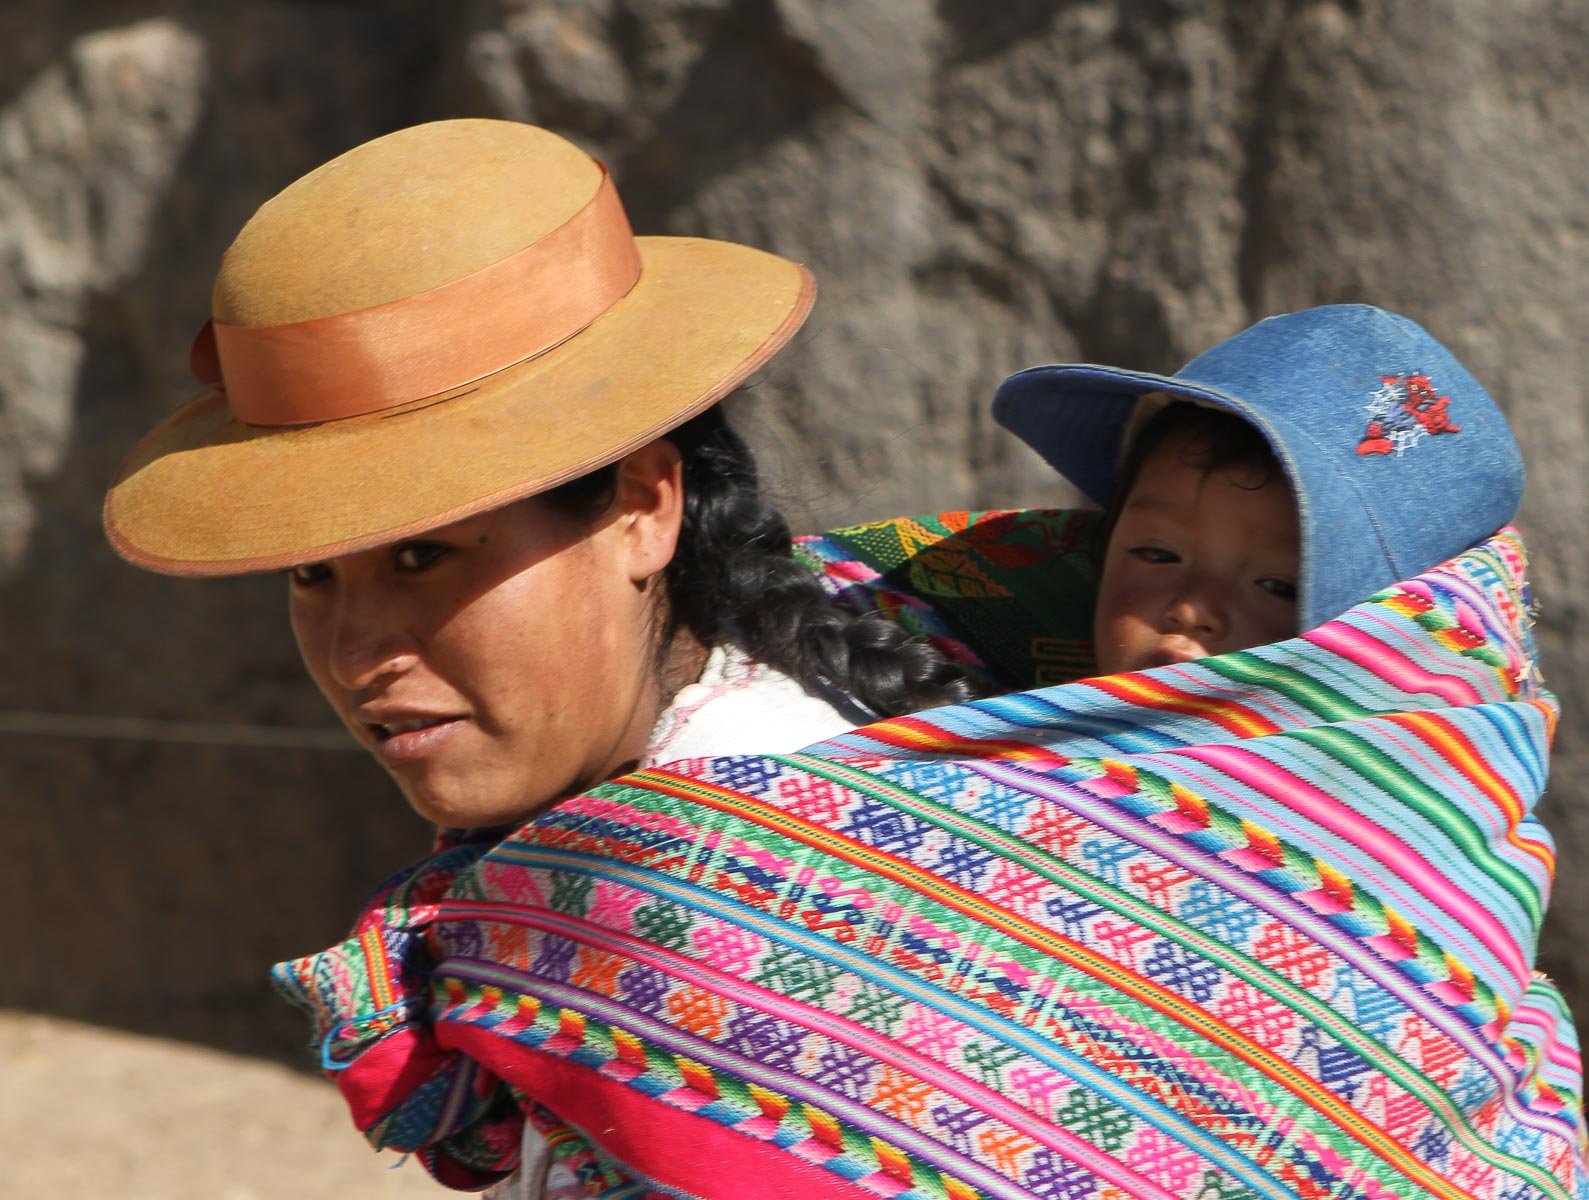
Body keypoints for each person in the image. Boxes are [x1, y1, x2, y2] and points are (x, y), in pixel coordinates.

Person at [102, 117, 967, 1197]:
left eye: (423, 554)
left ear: (644, 509)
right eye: (312, 574)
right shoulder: (624, 819)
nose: (358, 652)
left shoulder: (723, 917)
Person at [989, 304, 1528, 675]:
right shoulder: (961, 716)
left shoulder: (1404, 831)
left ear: (1392, 636)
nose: (1192, 610)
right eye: (1156, 553)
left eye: (1280, 587)